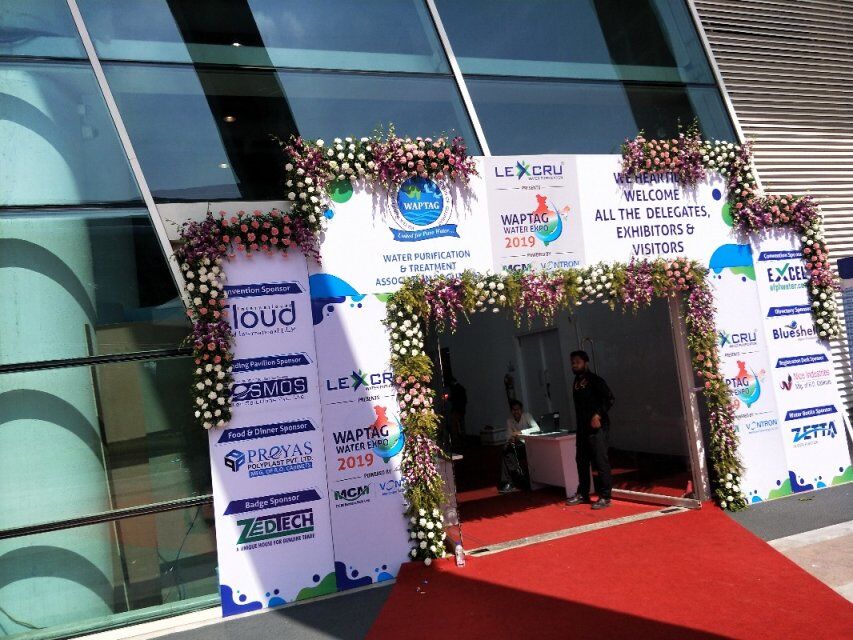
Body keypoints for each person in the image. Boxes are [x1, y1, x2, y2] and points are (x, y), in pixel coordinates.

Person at [565, 350, 615, 510]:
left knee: (600, 461)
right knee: (581, 461)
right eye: (573, 362)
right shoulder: (576, 381)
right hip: (582, 428)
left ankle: (605, 496)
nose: (574, 365)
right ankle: (583, 493)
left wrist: (598, 415)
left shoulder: (595, 380)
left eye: (577, 362)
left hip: (597, 428)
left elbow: (609, 398)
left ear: (585, 363)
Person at [498, 400, 539, 493]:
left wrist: (520, 432)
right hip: (517, 445)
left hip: (528, 444)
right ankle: (512, 479)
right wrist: (511, 439)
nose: (516, 412)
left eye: (518, 409)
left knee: (507, 455)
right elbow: (508, 435)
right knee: (506, 451)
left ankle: (509, 481)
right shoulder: (509, 421)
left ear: (521, 410)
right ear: (511, 411)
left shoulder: (527, 416)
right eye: (514, 410)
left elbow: (537, 428)